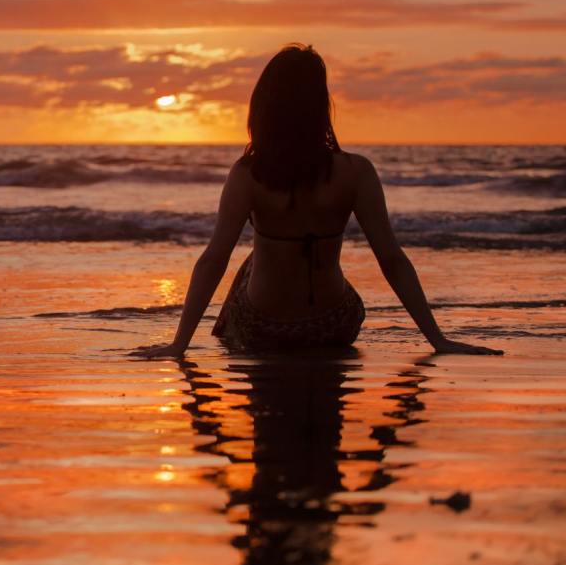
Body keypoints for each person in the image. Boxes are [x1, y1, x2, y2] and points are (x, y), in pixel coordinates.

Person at [135, 43, 503, 358]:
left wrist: (178, 344)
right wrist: (437, 340)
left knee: (247, 262)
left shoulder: (248, 173)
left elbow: (214, 258)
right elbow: (391, 258)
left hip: (264, 329)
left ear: (264, 107)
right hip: (333, 324)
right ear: (320, 106)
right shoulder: (357, 172)